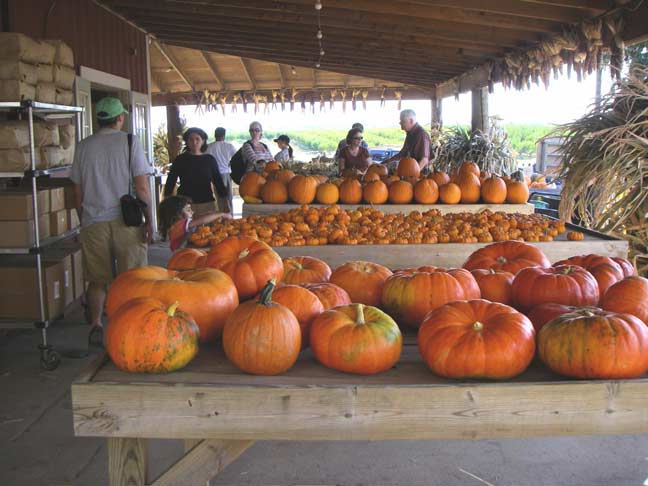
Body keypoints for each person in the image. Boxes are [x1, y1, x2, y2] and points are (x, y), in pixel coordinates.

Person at [70, 96, 153, 346]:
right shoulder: (130, 141)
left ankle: (96, 323)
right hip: (127, 221)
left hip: (93, 221)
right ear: (119, 118)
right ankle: (132, 324)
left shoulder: (83, 146)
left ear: (98, 120)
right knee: (134, 278)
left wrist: (82, 220)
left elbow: (77, 192)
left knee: (97, 279)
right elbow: (142, 187)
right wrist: (150, 221)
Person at [163, 127, 227, 217]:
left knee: (207, 230)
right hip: (185, 205)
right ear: (187, 141)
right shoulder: (180, 159)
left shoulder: (209, 160)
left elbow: (218, 182)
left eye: (197, 139)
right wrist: (167, 200)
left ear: (203, 141)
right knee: (186, 230)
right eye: (191, 139)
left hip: (207, 204)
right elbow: (171, 180)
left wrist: (225, 203)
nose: (194, 142)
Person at [158, 195, 231, 251]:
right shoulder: (179, 225)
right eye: (188, 210)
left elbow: (198, 218)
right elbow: (202, 220)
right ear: (178, 214)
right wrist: (222, 214)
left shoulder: (176, 225)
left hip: (183, 251)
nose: (192, 212)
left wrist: (211, 214)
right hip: (182, 254)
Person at [206, 127, 236, 214]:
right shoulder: (229, 146)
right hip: (227, 173)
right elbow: (236, 158)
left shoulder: (209, 147)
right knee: (229, 197)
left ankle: (221, 216)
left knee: (219, 197)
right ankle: (230, 216)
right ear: (224, 135)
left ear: (215, 135)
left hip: (215, 174)